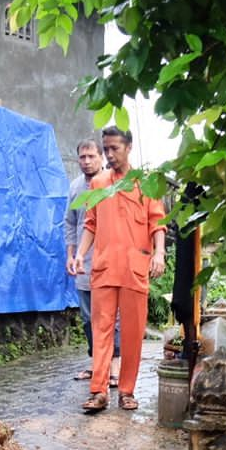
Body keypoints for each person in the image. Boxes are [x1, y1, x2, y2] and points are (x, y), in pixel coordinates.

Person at [69, 125, 165, 414]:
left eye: (114, 149)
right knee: (101, 330)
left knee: (134, 333)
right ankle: (99, 391)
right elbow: (90, 225)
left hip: (135, 267)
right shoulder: (98, 184)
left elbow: (157, 222)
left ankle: (126, 391)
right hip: (104, 267)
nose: (109, 155)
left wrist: (159, 253)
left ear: (129, 147)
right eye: (106, 149)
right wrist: (79, 255)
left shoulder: (146, 183)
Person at [64, 138, 118, 380]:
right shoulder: (75, 187)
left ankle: (114, 368)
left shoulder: (112, 185)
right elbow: (71, 222)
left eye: (91, 156)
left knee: (110, 317)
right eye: (82, 157)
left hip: (109, 261)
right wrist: (71, 254)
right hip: (83, 264)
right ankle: (97, 364)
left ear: (101, 158)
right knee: (88, 317)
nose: (86, 161)